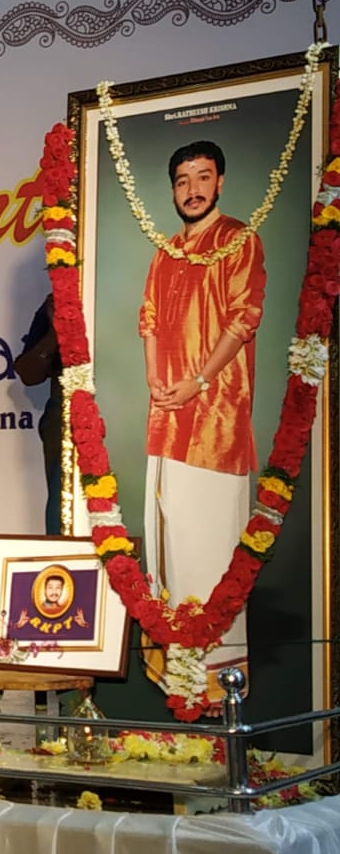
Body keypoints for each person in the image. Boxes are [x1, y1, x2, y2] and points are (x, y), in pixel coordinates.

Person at [138, 140, 266, 700]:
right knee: (168, 544)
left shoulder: (240, 240)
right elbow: (147, 319)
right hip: (166, 417)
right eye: (182, 180)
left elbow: (245, 319)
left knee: (211, 550)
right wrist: (155, 381)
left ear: (220, 183)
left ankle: (216, 691)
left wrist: (200, 381)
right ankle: (177, 683)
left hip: (215, 422)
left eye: (203, 177)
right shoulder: (167, 250)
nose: (192, 190)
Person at [14, 293, 65, 535]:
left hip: (122, 413)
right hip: (64, 419)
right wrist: (57, 332)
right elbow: (29, 373)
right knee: (61, 506)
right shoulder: (55, 302)